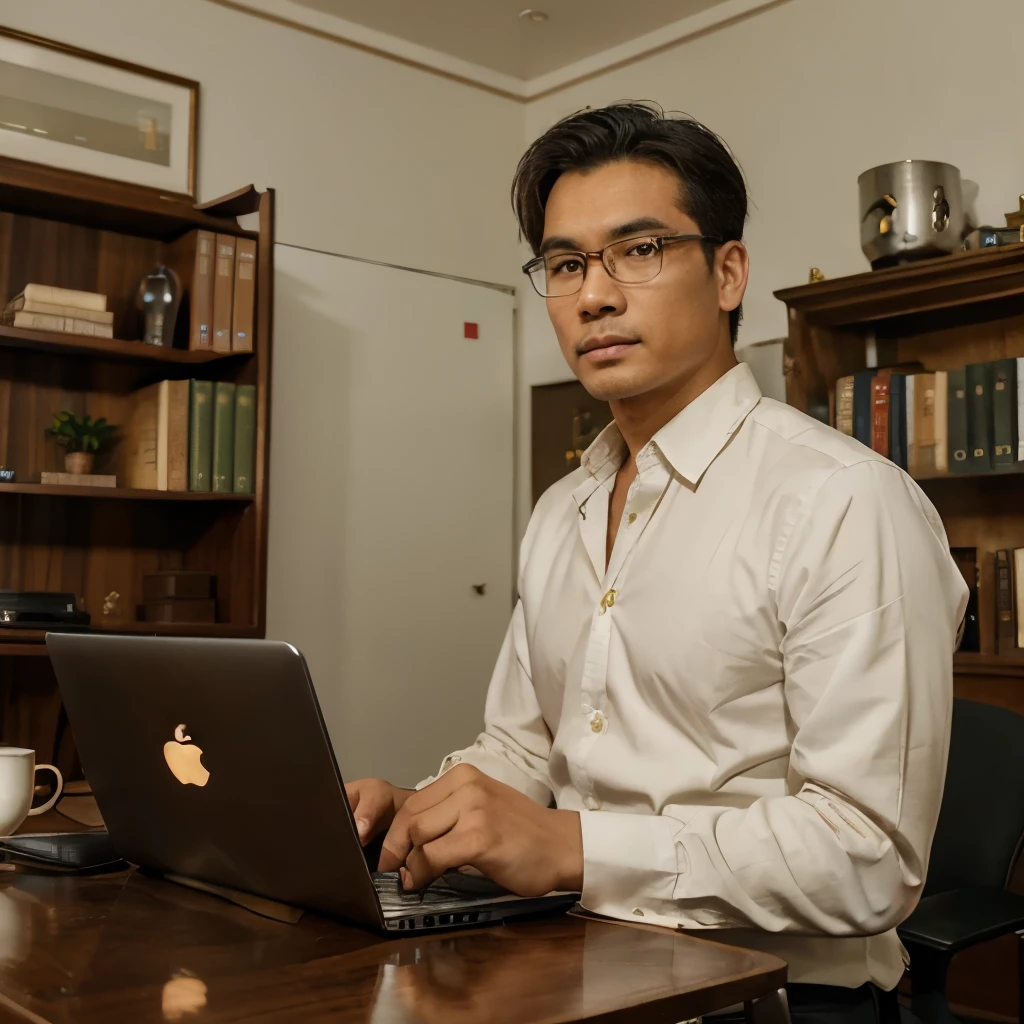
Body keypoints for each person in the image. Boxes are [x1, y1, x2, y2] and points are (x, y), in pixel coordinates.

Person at [347, 102, 969, 1023]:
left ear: (728, 273)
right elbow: (523, 744)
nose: (593, 295)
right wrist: (427, 814)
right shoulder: (563, 511)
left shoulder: (843, 501)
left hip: (778, 1000)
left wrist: (576, 849)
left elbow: (865, 856)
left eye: (638, 251)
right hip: (581, 966)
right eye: (565, 264)